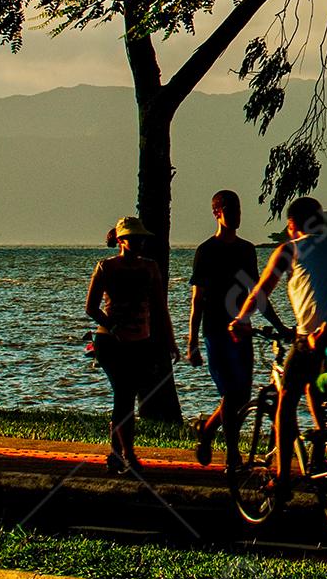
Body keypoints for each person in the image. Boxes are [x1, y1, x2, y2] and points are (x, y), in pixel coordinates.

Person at [229, 196, 327, 505]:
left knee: (286, 402)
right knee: (315, 385)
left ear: (292, 225)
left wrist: (241, 319)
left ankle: (284, 479)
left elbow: (261, 290)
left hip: (310, 338)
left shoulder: (289, 249)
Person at [85, 216, 180, 475]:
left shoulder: (150, 268)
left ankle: (116, 454)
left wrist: (171, 342)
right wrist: (113, 326)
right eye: (133, 239)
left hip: (141, 342)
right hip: (110, 343)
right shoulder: (106, 267)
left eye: (141, 239)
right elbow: (91, 307)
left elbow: (161, 309)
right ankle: (127, 454)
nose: (138, 243)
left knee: (125, 397)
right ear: (120, 240)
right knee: (124, 395)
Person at [186, 190, 261, 474]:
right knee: (231, 393)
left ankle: (206, 430)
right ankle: (232, 454)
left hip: (242, 331)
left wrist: (276, 325)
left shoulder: (246, 250)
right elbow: (198, 298)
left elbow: (257, 291)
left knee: (240, 396)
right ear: (217, 213)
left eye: (240, 209)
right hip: (215, 330)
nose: (237, 215)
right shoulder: (206, 251)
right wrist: (192, 340)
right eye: (231, 209)